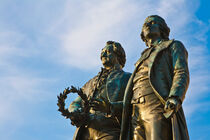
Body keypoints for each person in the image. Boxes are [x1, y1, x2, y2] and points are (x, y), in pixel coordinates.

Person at [120, 15, 190, 140]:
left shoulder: (173, 46)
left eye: (153, 22)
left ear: (162, 29)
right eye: (145, 24)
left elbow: (181, 72)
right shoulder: (141, 58)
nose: (148, 25)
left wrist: (175, 97)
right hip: (135, 111)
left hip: (156, 106)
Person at [69, 41, 131, 140]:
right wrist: (75, 111)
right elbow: (76, 103)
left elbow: (135, 104)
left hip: (110, 130)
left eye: (108, 51)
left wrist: (110, 108)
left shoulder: (128, 78)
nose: (103, 54)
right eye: (102, 51)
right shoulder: (90, 82)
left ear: (118, 55)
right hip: (85, 132)